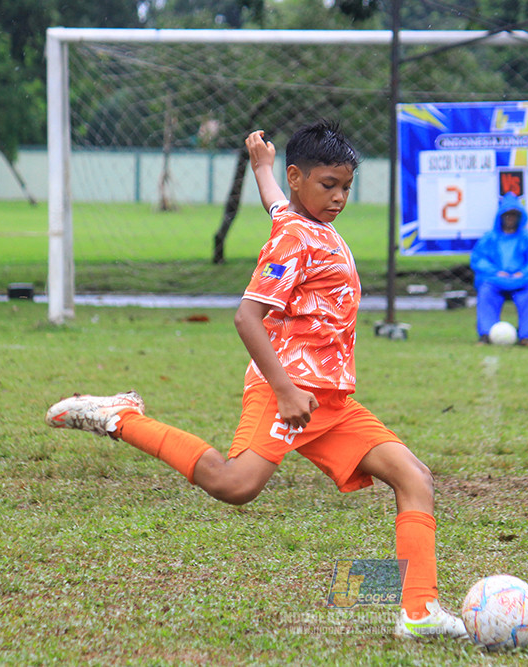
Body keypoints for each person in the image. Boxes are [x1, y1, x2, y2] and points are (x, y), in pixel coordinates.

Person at [44, 121, 467, 640]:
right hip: (285, 389)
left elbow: (277, 204)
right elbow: (247, 317)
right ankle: (121, 418)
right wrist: (286, 390)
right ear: (300, 177)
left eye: (346, 188)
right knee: (234, 484)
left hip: (330, 399)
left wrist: (263, 169)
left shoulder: (298, 216)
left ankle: (419, 612)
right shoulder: (292, 241)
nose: (338, 198)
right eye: (328, 185)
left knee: (414, 477)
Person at [469, 192, 528, 346]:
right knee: (486, 291)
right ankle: (486, 334)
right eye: (507, 215)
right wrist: (495, 272)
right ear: (501, 217)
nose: (510, 219)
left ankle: (527, 336)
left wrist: (522, 272)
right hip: (495, 280)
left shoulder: (527, 237)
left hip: (521, 281)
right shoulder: (490, 237)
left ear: (519, 217)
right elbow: (478, 259)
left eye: (514, 215)